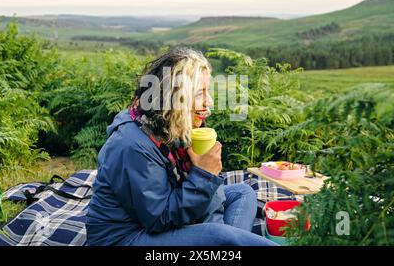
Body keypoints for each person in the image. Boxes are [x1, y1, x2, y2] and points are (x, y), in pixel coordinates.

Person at [85, 47, 277, 246]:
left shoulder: (167, 123)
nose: (209, 102)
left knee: (242, 193)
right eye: (200, 93)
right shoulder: (131, 145)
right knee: (220, 236)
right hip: (125, 237)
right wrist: (204, 175)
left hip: (155, 218)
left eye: (207, 91)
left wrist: (205, 170)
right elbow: (159, 217)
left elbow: (204, 195)